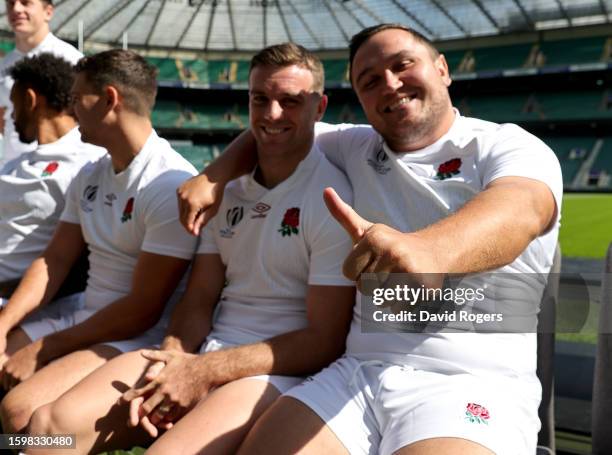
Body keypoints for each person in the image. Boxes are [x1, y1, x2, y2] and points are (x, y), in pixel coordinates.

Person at [177, 24, 563, 455]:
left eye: (402, 65)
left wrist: (429, 251)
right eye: (370, 81)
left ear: (442, 69)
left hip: (470, 382)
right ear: (360, 99)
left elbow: (522, 207)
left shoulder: (505, 145)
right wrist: (214, 176)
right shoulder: (354, 145)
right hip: (357, 373)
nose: (391, 85)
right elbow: (272, 126)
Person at [25, 42, 355, 455]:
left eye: (290, 102)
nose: (272, 114)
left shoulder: (332, 197)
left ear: (319, 108)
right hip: (201, 351)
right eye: (260, 99)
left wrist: (205, 372)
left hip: (275, 371)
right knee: (43, 425)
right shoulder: (223, 191)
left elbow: (323, 340)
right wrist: (173, 360)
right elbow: (198, 299)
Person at [0, 49, 198, 435]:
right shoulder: (91, 174)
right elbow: (54, 260)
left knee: (21, 414)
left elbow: (142, 310)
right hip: (84, 315)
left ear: (109, 99)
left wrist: (45, 348)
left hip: (134, 335)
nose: (70, 109)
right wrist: (4, 322)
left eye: (77, 99)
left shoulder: (168, 183)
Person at [0, 53, 104, 298]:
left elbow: (76, 266)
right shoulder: (16, 164)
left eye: (14, 106)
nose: (11, 116)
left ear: (30, 99)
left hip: (21, 299)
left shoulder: (88, 162)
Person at [0, 0, 82, 164]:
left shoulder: (71, 59)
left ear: (48, 12)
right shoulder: (4, 64)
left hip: (58, 169)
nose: (16, 9)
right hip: (11, 168)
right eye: (10, 3)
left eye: (25, 3)